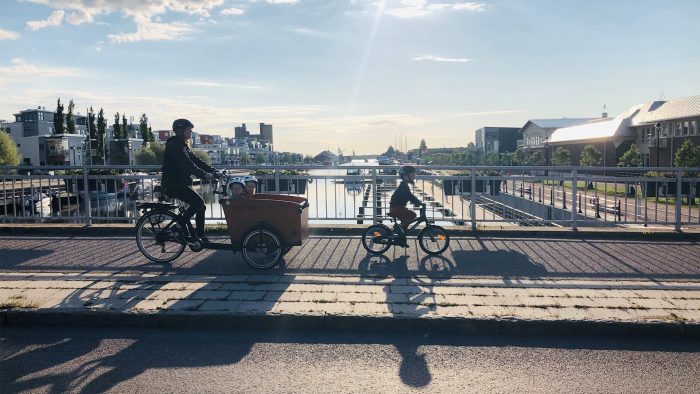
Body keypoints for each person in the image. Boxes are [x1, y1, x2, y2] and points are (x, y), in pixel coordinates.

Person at [161, 118, 216, 243]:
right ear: (181, 131)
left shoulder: (182, 145)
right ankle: (178, 226)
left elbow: (196, 160)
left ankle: (200, 237)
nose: (191, 132)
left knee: (201, 207)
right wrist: (204, 175)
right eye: (189, 129)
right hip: (173, 184)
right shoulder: (175, 146)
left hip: (181, 183)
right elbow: (188, 165)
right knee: (198, 203)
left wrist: (213, 171)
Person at [389, 165, 425, 247]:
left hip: (398, 208)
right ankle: (399, 229)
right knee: (412, 215)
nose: (414, 177)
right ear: (406, 176)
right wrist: (419, 203)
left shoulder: (404, 185)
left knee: (406, 223)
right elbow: (410, 197)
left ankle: (401, 239)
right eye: (412, 175)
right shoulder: (403, 186)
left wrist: (418, 202)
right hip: (396, 209)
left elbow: (410, 196)